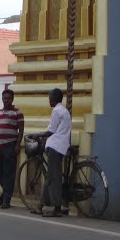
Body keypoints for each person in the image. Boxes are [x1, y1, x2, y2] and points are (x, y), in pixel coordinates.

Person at [28, 88, 71, 218]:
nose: (49, 100)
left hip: (55, 146)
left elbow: (50, 131)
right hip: (61, 146)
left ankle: (57, 208)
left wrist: (36, 135)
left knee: (53, 178)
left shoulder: (56, 111)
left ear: (54, 99)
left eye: (50, 98)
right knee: (50, 176)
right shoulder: (64, 110)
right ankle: (40, 206)